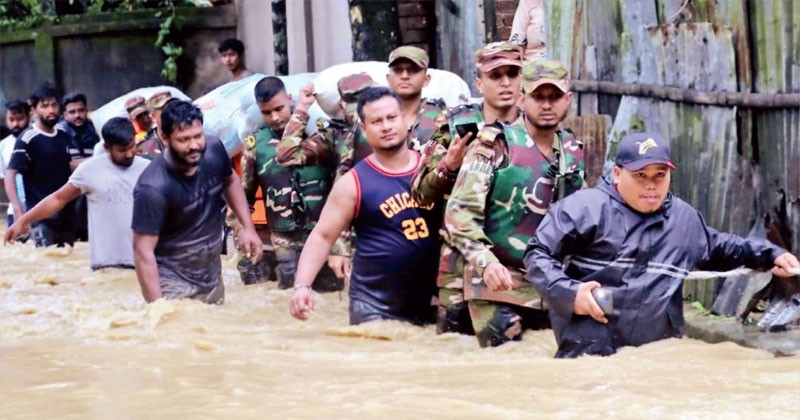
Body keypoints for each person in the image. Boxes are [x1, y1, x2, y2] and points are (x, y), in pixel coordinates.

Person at [524, 131, 800, 358]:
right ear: (618, 174)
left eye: (659, 175)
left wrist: (770, 254)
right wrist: (571, 293)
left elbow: (724, 248)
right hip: (588, 356)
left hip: (656, 356)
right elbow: (537, 254)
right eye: (640, 175)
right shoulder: (582, 210)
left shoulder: (684, 220)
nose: (651, 185)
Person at [442, 59, 586, 347]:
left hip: (548, 280)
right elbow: (459, 215)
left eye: (555, 97)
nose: (547, 105)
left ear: (568, 100)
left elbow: (584, 219)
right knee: (507, 354)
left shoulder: (571, 151)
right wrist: (485, 262)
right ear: (522, 99)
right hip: (496, 280)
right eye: (538, 96)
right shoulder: (494, 144)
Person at [289, 87, 441, 325]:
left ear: (405, 119)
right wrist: (301, 286)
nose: (386, 126)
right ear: (364, 129)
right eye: (376, 121)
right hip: (373, 306)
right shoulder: (353, 183)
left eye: (392, 118)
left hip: (429, 301)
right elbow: (323, 236)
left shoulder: (433, 170)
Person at [131, 100, 262, 303]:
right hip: (173, 284)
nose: (194, 145)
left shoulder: (213, 150)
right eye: (184, 139)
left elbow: (230, 181)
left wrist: (247, 227)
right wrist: (157, 308)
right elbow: (142, 251)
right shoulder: (153, 187)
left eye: (197, 136)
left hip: (211, 277)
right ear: (165, 138)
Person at [5, 117, 149, 270]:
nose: (128, 154)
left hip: (142, 262)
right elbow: (58, 199)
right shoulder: (89, 170)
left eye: (131, 147)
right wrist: (23, 221)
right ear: (107, 147)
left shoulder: (148, 169)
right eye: (121, 150)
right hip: (105, 263)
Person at [235, 77, 335, 290]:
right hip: (284, 237)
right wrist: (244, 230)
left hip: (323, 232)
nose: (274, 117)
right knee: (289, 291)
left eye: (279, 108)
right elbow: (242, 196)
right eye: (266, 112)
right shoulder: (257, 145)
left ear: (290, 99)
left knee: (329, 291)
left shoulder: (320, 136)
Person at [412, 41, 526, 207]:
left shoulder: (533, 127)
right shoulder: (455, 125)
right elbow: (419, 195)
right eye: (495, 76)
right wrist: (448, 166)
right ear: (479, 84)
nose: (506, 83)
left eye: (512, 74)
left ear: (521, 80)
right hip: (461, 229)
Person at [274, 80, 343, 291]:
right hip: (333, 232)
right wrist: (302, 109)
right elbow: (286, 155)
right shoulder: (335, 136)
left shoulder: (397, 133)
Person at [335, 46, 445, 180]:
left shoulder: (440, 120)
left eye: (413, 70)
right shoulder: (367, 121)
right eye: (398, 70)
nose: (405, 76)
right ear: (388, 78)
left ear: (426, 79)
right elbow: (345, 171)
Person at [5, 83, 75, 247]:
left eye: (54, 105)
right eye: (44, 106)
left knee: (69, 262)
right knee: (46, 261)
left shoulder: (63, 133)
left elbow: (71, 165)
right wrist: (17, 210)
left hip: (66, 214)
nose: (51, 110)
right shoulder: (28, 138)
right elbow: (10, 174)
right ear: (34, 110)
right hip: (40, 217)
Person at [58, 92, 100, 242]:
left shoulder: (94, 132)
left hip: (89, 200)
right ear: (64, 114)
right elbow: (67, 165)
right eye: (72, 112)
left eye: (81, 110)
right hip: (65, 200)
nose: (77, 115)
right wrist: (97, 160)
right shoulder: (59, 134)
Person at [0, 99, 30, 227]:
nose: (16, 124)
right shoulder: (3, 146)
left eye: (20, 119)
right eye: (11, 120)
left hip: (39, 207)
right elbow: (2, 177)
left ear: (28, 117)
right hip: (14, 210)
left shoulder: (37, 139)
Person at [135, 90, 172, 160]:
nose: (170, 111)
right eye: (163, 109)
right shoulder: (149, 147)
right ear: (153, 117)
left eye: (172, 106)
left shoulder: (190, 133)